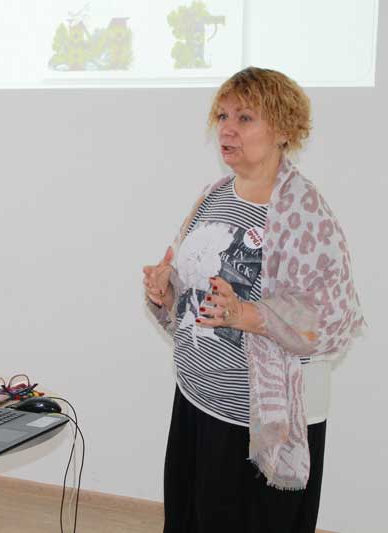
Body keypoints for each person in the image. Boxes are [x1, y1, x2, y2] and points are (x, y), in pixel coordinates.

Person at [143, 67, 364, 533]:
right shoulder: (214, 195)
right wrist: (165, 290)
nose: (227, 129)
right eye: (222, 116)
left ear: (283, 130)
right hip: (198, 400)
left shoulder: (304, 211)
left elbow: (331, 320)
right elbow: (194, 296)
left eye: (244, 118)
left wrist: (248, 314)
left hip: (259, 422)